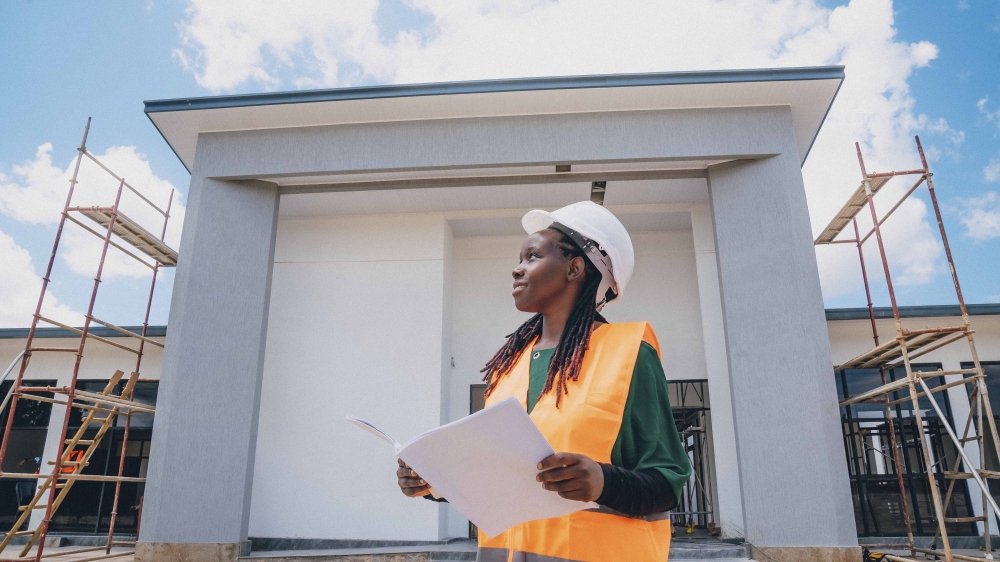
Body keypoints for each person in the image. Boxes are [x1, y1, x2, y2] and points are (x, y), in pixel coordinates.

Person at [397, 201, 691, 562]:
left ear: (574, 268)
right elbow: (498, 477)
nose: (517, 269)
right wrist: (436, 481)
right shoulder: (510, 365)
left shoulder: (629, 353)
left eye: (532, 256)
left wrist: (604, 481)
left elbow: (667, 482)